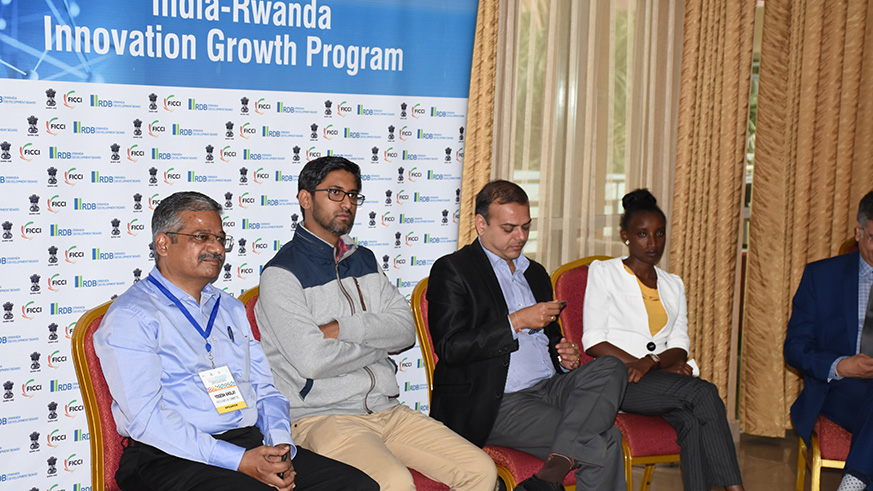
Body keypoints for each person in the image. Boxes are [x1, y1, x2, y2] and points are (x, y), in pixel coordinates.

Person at [94, 191, 378, 491]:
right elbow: (146, 419)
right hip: (168, 455)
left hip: (246, 440)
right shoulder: (133, 315)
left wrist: (280, 445)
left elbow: (266, 390)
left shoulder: (230, 307)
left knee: (356, 485)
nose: (216, 248)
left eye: (220, 238)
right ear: (163, 243)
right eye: (202, 237)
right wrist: (239, 461)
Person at [255, 157, 497, 491]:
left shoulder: (363, 259)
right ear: (306, 198)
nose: (347, 204)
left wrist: (342, 329)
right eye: (336, 193)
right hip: (323, 417)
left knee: (480, 470)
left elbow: (405, 331)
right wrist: (378, 347)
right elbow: (311, 360)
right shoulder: (281, 274)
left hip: (387, 410)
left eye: (353, 195)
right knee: (395, 484)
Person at [427, 180, 628, 491]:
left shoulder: (534, 272)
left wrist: (565, 359)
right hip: (498, 401)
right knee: (607, 440)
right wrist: (515, 322)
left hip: (551, 386)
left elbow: (551, 339)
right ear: (481, 224)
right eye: (509, 228)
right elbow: (451, 347)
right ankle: (553, 474)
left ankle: (551, 474)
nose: (520, 237)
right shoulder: (454, 270)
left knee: (611, 367)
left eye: (525, 227)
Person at [582, 189, 744, 491]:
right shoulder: (604, 273)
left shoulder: (673, 284)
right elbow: (593, 340)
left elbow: (680, 345)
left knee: (693, 422)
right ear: (625, 235)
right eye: (642, 234)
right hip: (619, 382)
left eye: (659, 234)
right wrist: (640, 366)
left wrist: (653, 364)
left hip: (655, 380)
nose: (653, 243)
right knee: (704, 393)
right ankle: (736, 489)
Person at [785, 190, 873, 491]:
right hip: (839, 389)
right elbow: (795, 347)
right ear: (858, 232)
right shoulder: (821, 277)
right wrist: (841, 365)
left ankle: (853, 482)